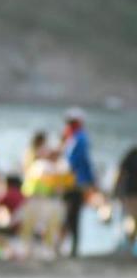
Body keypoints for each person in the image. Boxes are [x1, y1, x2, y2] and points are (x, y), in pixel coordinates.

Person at [61, 106, 95, 257]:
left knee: (71, 215)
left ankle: (72, 248)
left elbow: (79, 162)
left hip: (74, 184)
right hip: (72, 182)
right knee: (71, 215)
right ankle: (69, 247)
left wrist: (90, 181)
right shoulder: (74, 137)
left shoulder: (79, 138)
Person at [114, 146, 137, 254]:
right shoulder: (132, 154)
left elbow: (121, 172)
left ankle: (131, 245)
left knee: (131, 219)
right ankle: (131, 245)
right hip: (131, 193)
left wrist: (116, 189)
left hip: (130, 192)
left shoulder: (131, 154)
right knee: (131, 219)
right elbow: (121, 171)